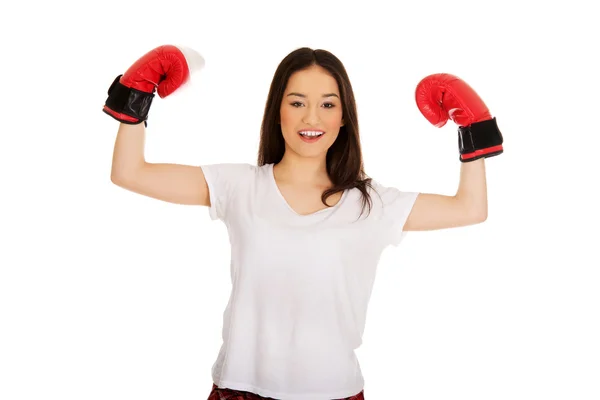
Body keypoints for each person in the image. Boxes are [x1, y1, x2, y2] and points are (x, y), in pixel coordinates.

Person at [103, 44, 503, 400]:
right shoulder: (239, 185)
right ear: (277, 109)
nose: (312, 117)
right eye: (297, 102)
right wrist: (134, 98)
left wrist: (474, 130)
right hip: (240, 389)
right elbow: (130, 172)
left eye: (328, 104)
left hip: (334, 393)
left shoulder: (373, 203)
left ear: (345, 116)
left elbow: (470, 208)